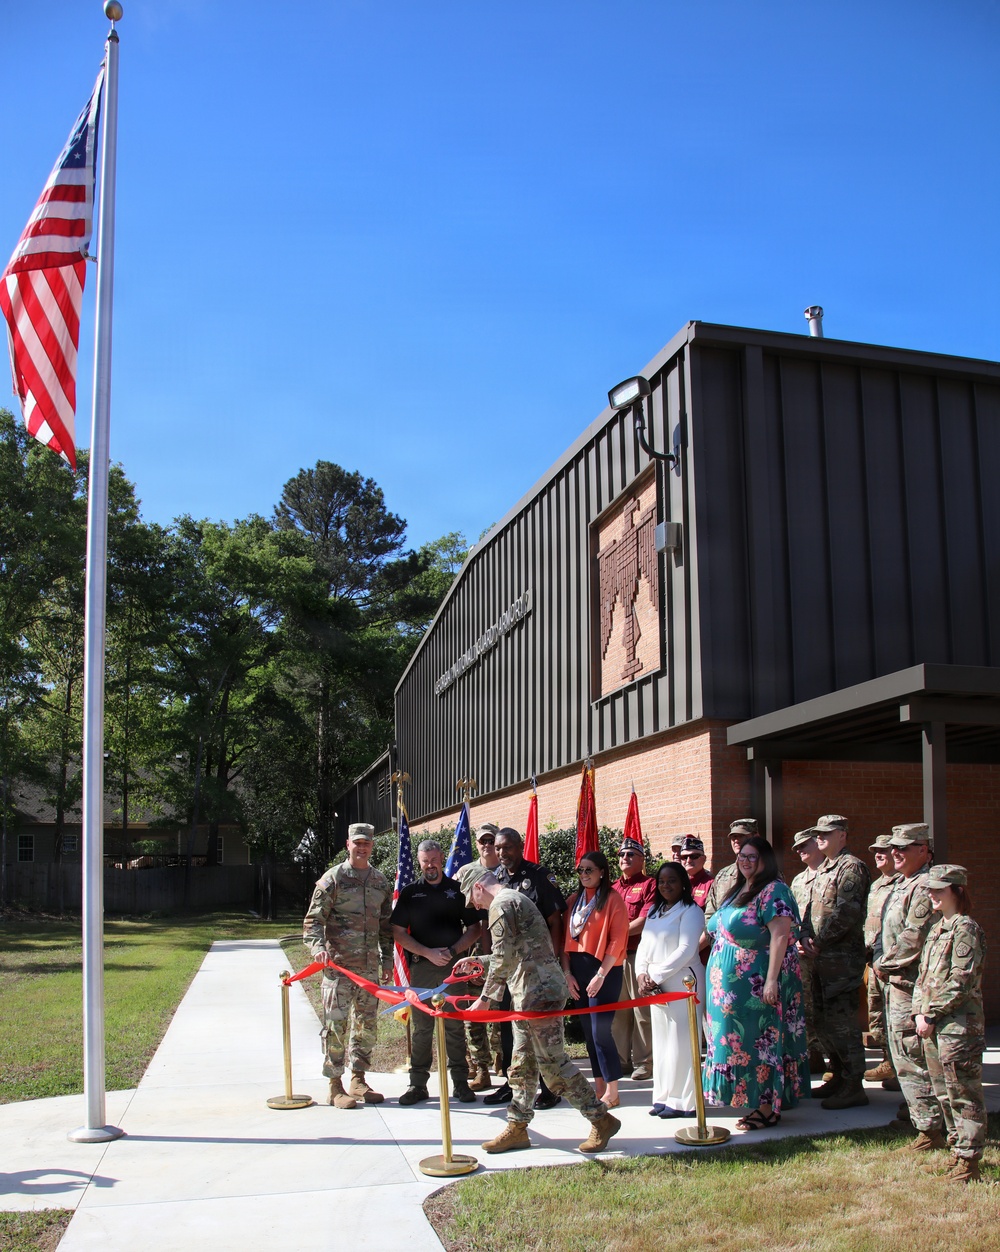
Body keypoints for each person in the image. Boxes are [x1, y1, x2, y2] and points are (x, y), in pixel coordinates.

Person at [455, 868, 620, 1155]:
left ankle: (601, 1118)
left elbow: (505, 957)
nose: (475, 906)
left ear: (479, 887)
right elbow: (518, 950)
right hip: (530, 991)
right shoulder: (511, 900)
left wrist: (484, 999)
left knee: (553, 1065)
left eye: (472, 899)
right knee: (521, 1064)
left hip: (538, 993)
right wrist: (478, 962)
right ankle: (518, 1128)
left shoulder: (501, 905)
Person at [703, 834, 810, 1129]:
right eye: (743, 856)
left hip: (758, 985)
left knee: (762, 1042)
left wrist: (772, 981)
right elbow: (716, 929)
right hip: (727, 994)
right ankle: (753, 1099)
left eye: (753, 856)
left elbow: (780, 935)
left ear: (766, 861)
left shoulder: (775, 890)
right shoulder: (738, 889)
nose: (746, 861)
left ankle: (768, 1106)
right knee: (738, 1043)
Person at [303, 823, 393, 1109]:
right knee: (336, 1027)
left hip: (368, 969)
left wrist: (388, 959)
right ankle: (334, 1086)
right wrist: (317, 949)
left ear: (372, 846)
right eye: (357, 843)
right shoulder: (333, 879)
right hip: (339, 969)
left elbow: (386, 926)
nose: (362, 847)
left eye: (366, 843)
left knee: (366, 1026)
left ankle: (358, 1079)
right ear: (348, 844)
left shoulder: (380, 882)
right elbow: (313, 921)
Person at [912, 864, 987, 1185]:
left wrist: (931, 1014)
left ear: (957, 890)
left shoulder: (965, 929)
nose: (931, 895)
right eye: (929, 889)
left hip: (958, 1027)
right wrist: (918, 1012)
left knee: (963, 1092)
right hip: (932, 1025)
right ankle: (957, 1151)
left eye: (938, 890)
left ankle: (970, 1161)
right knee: (943, 1093)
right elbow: (923, 978)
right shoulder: (936, 928)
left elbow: (962, 980)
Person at [391, 840, 481, 1106]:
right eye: (424, 861)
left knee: (454, 1026)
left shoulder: (457, 890)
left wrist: (452, 952)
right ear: (419, 862)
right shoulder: (410, 893)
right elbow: (397, 932)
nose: (430, 865)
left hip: (453, 969)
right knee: (421, 1029)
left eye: (434, 859)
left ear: (441, 858)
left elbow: (475, 929)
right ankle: (417, 1085)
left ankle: (461, 1084)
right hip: (422, 969)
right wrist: (428, 952)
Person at [488, 827, 567, 1108]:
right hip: (512, 969)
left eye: (507, 847)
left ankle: (550, 1088)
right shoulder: (495, 879)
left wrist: (554, 959)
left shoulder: (538, 876)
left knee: (539, 1030)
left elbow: (556, 920)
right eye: (498, 849)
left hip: (536, 969)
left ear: (520, 847)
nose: (502, 853)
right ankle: (513, 1085)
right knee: (510, 1029)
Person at [800, 814, 871, 1109]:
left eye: (827, 833)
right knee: (823, 1022)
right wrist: (805, 936)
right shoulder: (823, 870)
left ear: (843, 835)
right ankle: (839, 1076)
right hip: (820, 961)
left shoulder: (851, 867)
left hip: (840, 962)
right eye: (818, 834)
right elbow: (808, 910)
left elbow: (847, 912)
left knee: (843, 1023)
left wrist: (819, 941)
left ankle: (854, 1084)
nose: (820, 838)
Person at [872, 823, 937, 1140]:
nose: (895, 852)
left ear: (923, 850)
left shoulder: (925, 886)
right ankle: (918, 1113)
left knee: (914, 1053)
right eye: (893, 847)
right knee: (901, 1052)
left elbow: (914, 937)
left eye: (904, 847)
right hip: (894, 982)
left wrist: (883, 962)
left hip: (912, 984)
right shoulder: (901, 884)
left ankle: (929, 1126)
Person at [635, 861, 705, 1117]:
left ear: (683, 884)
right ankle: (663, 1096)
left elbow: (686, 950)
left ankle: (684, 1102)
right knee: (662, 1042)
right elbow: (644, 945)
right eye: (662, 881)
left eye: (672, 880)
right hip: (655, 984)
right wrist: (641, 973)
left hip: (683, 981)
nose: (666, 886)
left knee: (682, 1043)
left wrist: (653, 975)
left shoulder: (691, 911)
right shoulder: (654, 911)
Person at [562, 851, 629, 1108]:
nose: (584, 875)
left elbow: (618, 939)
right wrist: (568, 974)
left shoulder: (613, 900)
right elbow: (564, 944)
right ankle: (599, 1085)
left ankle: (613, 1089)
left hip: (605, 970)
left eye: (589, 870)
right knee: (589, 1033)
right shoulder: (573, 901)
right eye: (580, 870)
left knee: (601, 1032)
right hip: (577, 970)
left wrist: (601, 974)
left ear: (602, 872)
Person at [455, 823, 501, 1090]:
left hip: (500, 951)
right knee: (473, 1010)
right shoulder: (465, 873)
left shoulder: (505, 873)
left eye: (490, 840)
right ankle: (481, 1067)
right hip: (474, 953)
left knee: (499, 1009)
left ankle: (502, 1061)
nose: (486, 845)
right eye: (482, 841)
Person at [610, 835, 657, 1081]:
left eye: (631, 854)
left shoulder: (650, 884)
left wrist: (615, 934)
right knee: (619, 1012)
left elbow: (645, 919)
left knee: (642, 1011)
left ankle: (644, 1062)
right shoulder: (612, 888)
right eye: (621, 855)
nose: (625, 858)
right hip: (614, 957)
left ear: (642, 859)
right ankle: (620, 1060)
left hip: (638, 956)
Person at [863, 833, 900, 1090]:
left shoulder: (902, 885)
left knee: (897, 1018)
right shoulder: (877, 885)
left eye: (884, 850)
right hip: (873, 960)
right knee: (877, 1014)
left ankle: (899, 1067)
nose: (879, 854)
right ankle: (888, 1060)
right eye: (876, 850)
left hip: (893, 962)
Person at [790, 828, 826, 1074]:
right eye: (797, 848)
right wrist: (797, 939)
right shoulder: (797, 881)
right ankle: (811, 1055)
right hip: (802, 953)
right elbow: (792, 917)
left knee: (828, 1007)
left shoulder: (833, 874)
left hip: (829, 953)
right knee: (805, 1004)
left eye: (805, 845)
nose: (801, 851)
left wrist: (818, 941)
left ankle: (833, 1060)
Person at [703, 818, 759, 923]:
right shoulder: (723, 875)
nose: (736, 840)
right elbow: (710, 912)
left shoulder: (767, 873)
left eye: (742, 836)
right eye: (733, 837)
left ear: (755, 837)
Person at [678, 836, 714, 910]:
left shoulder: (711, 885)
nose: (688, 860)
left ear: (704, 859)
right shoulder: (677, 883)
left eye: (693, 856)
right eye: (684, 857)